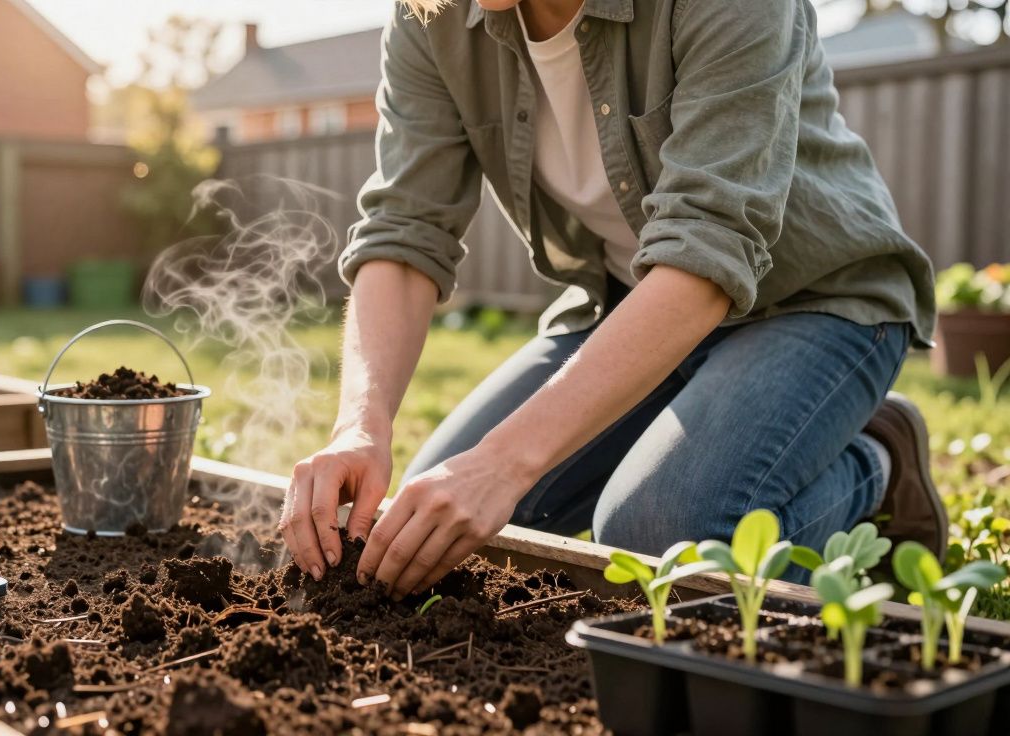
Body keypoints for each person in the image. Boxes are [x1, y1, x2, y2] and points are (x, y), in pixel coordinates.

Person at [278, 0, 942, 597]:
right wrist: (361, 424)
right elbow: (405, 229)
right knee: (440, 530)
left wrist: (504, 462)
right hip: (630, 306)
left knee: (661, 538)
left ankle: (876, 462)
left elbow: (708, 244)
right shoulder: (433, 14)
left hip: (817, 300)